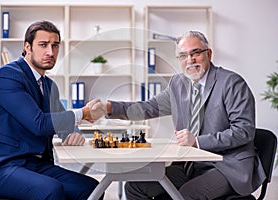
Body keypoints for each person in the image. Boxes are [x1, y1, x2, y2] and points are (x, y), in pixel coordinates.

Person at [103, 31, 266, 199]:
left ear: (208, 54)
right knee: (135, 186)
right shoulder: (177, 84)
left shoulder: (232, 83)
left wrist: (197, 141)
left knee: (187, 194)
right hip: (191, 166)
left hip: (226, 166)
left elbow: (243, 131)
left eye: (195, 52)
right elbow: (147, 107)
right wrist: (108, 108)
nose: (190, 59)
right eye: (183, 55)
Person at [0, 21, 106, 200]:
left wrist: (73, 133)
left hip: (34, 164)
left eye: (55, 46)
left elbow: (62, 124)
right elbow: (39, 123)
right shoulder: (6, 76)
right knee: (51, 190)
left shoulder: (49, 85)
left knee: (91, 189)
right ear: (27, 47)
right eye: (43, 45)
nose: (50, 52)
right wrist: (83, 113)